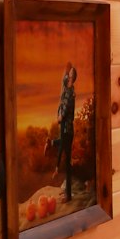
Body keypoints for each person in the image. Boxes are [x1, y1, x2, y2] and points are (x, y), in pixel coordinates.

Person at [53, 63, 77, 202]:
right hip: (65, 129)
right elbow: (63, 78)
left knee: (67, 163)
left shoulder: (70, 93)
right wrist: (67, 68)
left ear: (73, 78)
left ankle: (68, 195)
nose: (68, 74)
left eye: (71, 73)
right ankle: (67, 191)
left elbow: (66, 108)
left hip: (68, 129)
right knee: (62, 152)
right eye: (69, 73)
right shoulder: (67, 88)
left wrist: (59, 117)